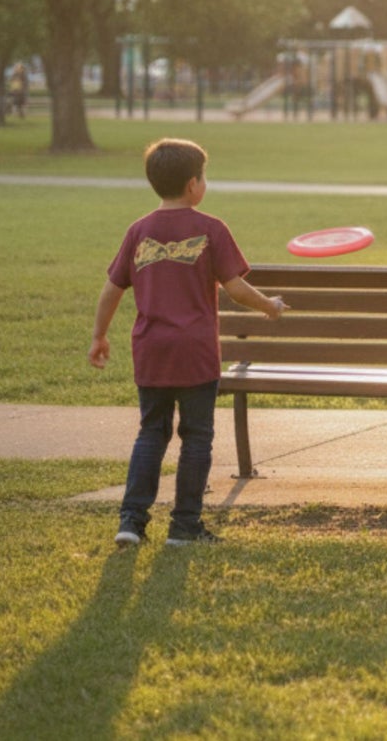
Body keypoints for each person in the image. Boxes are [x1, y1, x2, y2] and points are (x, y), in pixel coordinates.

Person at [88, 138, 287, 546]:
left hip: (152, 351)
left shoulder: (139, 231)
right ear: (194, 184)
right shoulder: (211, 229)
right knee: (196, 436)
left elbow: (111, 289)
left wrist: (99, 336)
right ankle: (184, 526)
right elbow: (235, 287)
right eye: (204, 177)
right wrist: (270, 306)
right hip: (196, 353)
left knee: (151, 432)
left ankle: (131, 522)